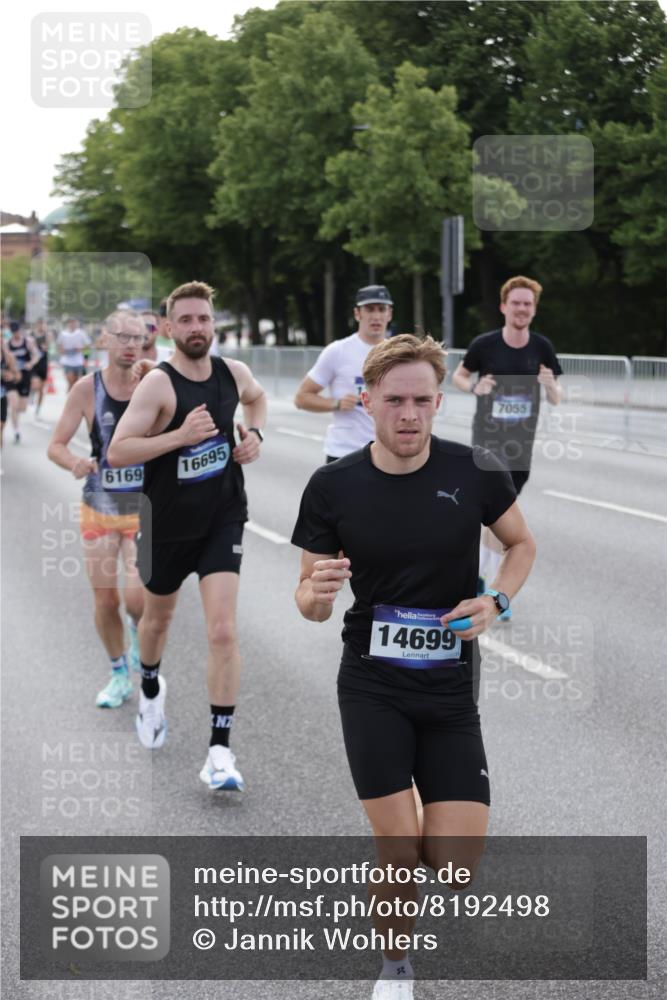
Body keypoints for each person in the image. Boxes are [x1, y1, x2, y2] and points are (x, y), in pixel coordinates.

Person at [292, 335, 536, 999]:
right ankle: (394, 967)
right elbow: (308, 601)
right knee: (398, 850)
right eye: (394, 400)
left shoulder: (473, 469)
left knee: (454, 869)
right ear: (367, 400)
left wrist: (495, 600)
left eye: (422, 400)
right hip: (371, 684)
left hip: (450, 687)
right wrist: (316, 594)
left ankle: (418, 836)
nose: (408, 414)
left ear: (437, 403)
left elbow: (520, 544)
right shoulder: (333, 486)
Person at [107, 281, 267, 792]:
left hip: (223, 516)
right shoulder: (159, 384)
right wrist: (179, 436)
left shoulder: (232, 372)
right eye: (187, 320)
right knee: (157, 621)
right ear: (168, 328)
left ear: (213, 323)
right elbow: (118, 451)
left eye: (204, 318)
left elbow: (257, 399)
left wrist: (255, 434)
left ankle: (219, 752)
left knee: (222, 631)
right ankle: (151, 687)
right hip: (166, 525)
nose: (197, 328)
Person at [48, 311, 146, 708]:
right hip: (100, 507)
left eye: (137, 337)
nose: (130, 344)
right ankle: (119, 673)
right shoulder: (87, 390)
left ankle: (137, 633)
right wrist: (74, 462)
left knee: (138, 600)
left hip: (145, 509)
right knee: (106, 601)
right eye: (122, 336)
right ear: (104, 339)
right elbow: (56, 445)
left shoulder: (154, 383)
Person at [451, 276, 561, 612]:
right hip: (488, 442)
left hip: (521, 446)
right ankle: (494, 588)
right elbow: (458, 376)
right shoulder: (485, 345)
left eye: (528, 303)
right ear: (503, 306)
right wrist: (475, 387)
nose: (522, 309)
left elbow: (556, 397)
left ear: (534, 309)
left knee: (499, 517)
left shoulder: (541, 347)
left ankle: (483, 578)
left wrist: (548, 384)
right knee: (499, 511)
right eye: (516, 303)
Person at [294, 285, 394, 462]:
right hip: (345, 452)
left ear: (389, 314)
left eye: (381, 309)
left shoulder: (398, 353)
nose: (376, 316)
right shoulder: (338, 351)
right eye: (369, 309)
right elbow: (301, 398)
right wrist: (336, 403)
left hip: (388, 453)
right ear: (357, 314)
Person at [6, 322, 40, 444]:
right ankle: (16, 431)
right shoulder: (7, 343)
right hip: (12, 376)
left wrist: (31, 363)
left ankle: (15, 414)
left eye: (17, 331)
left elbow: (36, 355)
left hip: (25, 376)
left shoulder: (28, 342)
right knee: (14, 405)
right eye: (13, 332)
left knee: (22, 408)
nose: (15, 334)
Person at [57, 317, 92, 390]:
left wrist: (80, 348)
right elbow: (59, 346)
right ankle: (70, 393)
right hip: (67, 360)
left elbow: (88, 345)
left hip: (78, 361)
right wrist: (61, 350)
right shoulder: (63, 334)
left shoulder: (81, 333)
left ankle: (72, 393)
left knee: (76, 382)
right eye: (70, 323)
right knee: (70, 380)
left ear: (76, 324)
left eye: (74, 323)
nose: (72, 324)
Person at [1, 340, 20, 452]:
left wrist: (12, 376)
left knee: (1, 426)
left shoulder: (8, 356)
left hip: (3, 391)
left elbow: (17, 375)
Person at [30, 318, 52, 415]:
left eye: (42, 324)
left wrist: (46, 334)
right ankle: (32, 393)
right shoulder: (32, 335)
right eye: (39, 324)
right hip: (35, 363)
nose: (41, 326)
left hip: (43, 363)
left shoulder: (47, 335)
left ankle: (38, 408)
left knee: (41, 389)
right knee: (35, 383)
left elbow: (48, 346)